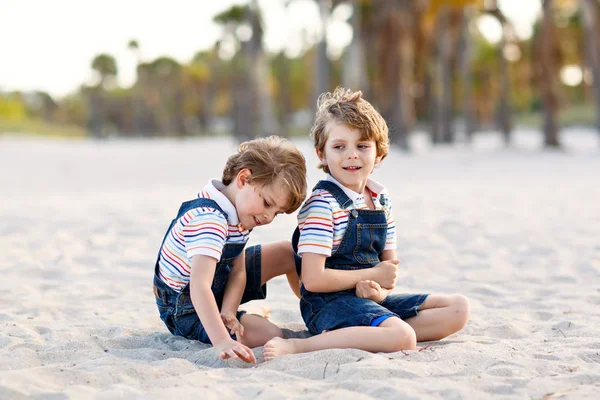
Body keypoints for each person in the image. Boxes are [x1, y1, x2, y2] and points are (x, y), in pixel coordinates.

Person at [263, 88, 470, 361]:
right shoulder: (323, 205)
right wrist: (367, 276)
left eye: (362, 146)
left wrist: (379, 291)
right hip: (328, 305)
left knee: (458, 309)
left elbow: (388, 271)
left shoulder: (381, 200)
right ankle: (301, 346)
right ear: (322, 154)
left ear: (379, 153)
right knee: (403, 337)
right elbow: (312, 281)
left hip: (367, 302)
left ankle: (374, 332)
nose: (352, 155)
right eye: (339, 147)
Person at [152, 135, 307, 364]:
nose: (268, 217)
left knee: (287, 252)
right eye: (267, 203)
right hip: (186, 306)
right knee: (270, 334)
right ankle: (246, 321)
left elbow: (238, 271)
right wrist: (223, 340)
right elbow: (199, 286)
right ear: (244, 178)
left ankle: (317, 312)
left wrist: (229, 311)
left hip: (218, 283)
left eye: (277, 212)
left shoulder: (240, 209)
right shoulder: (209, 219)